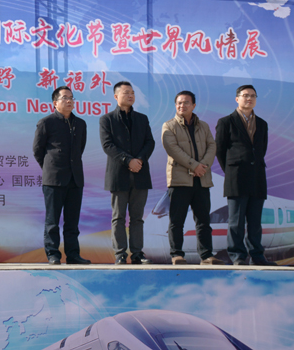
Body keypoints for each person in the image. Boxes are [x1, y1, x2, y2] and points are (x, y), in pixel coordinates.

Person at [161, 91, 224, 266]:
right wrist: (194, 166)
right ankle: (177, 254)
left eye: (186, 102)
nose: (182, 106)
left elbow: (212, 146)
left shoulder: (203, 126)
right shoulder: (169, 125)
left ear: (194, 106)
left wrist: (203, 166)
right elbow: (172, 149)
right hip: (179, 180)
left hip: (201, 179)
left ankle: (206, 256)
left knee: (203, 220)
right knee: (177, 221)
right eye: (179, 103)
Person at [215, 85, 276, 266]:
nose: (249, 98)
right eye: (245, 95)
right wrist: (231, 171)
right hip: (236, 177)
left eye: (253, 96)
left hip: (257, 177)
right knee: (236, 221)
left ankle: (257, 256)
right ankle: (237, 256)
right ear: (237, 99)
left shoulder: (262, 124)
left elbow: (261, 149)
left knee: (255, 222)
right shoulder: (226, 122)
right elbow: (220, 150)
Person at [32, 86, 91, 265]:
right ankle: (53, 254)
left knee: (72, 222)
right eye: (65, 98)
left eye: (71, 97)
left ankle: (73, 255)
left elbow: (80, 148)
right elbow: (37, 150)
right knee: (52, 221)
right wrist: (50, 168)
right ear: (55, 103)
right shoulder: (46, 123)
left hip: (75, 179)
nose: (69, 101)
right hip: (54, 179)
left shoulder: (80, 124)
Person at [99, 81, 154, 265]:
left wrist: (139, 160)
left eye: (132, 92)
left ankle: (137, 253)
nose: (130, 95)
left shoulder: (142, 119)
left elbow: (150, 142)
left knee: (137, 218)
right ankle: (120, 253)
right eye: (126, 92)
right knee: (118, 217)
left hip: (140, 174)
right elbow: (108, 145)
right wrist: (128, 160)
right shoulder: (107, 119)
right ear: (116, 96)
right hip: (118, 175)